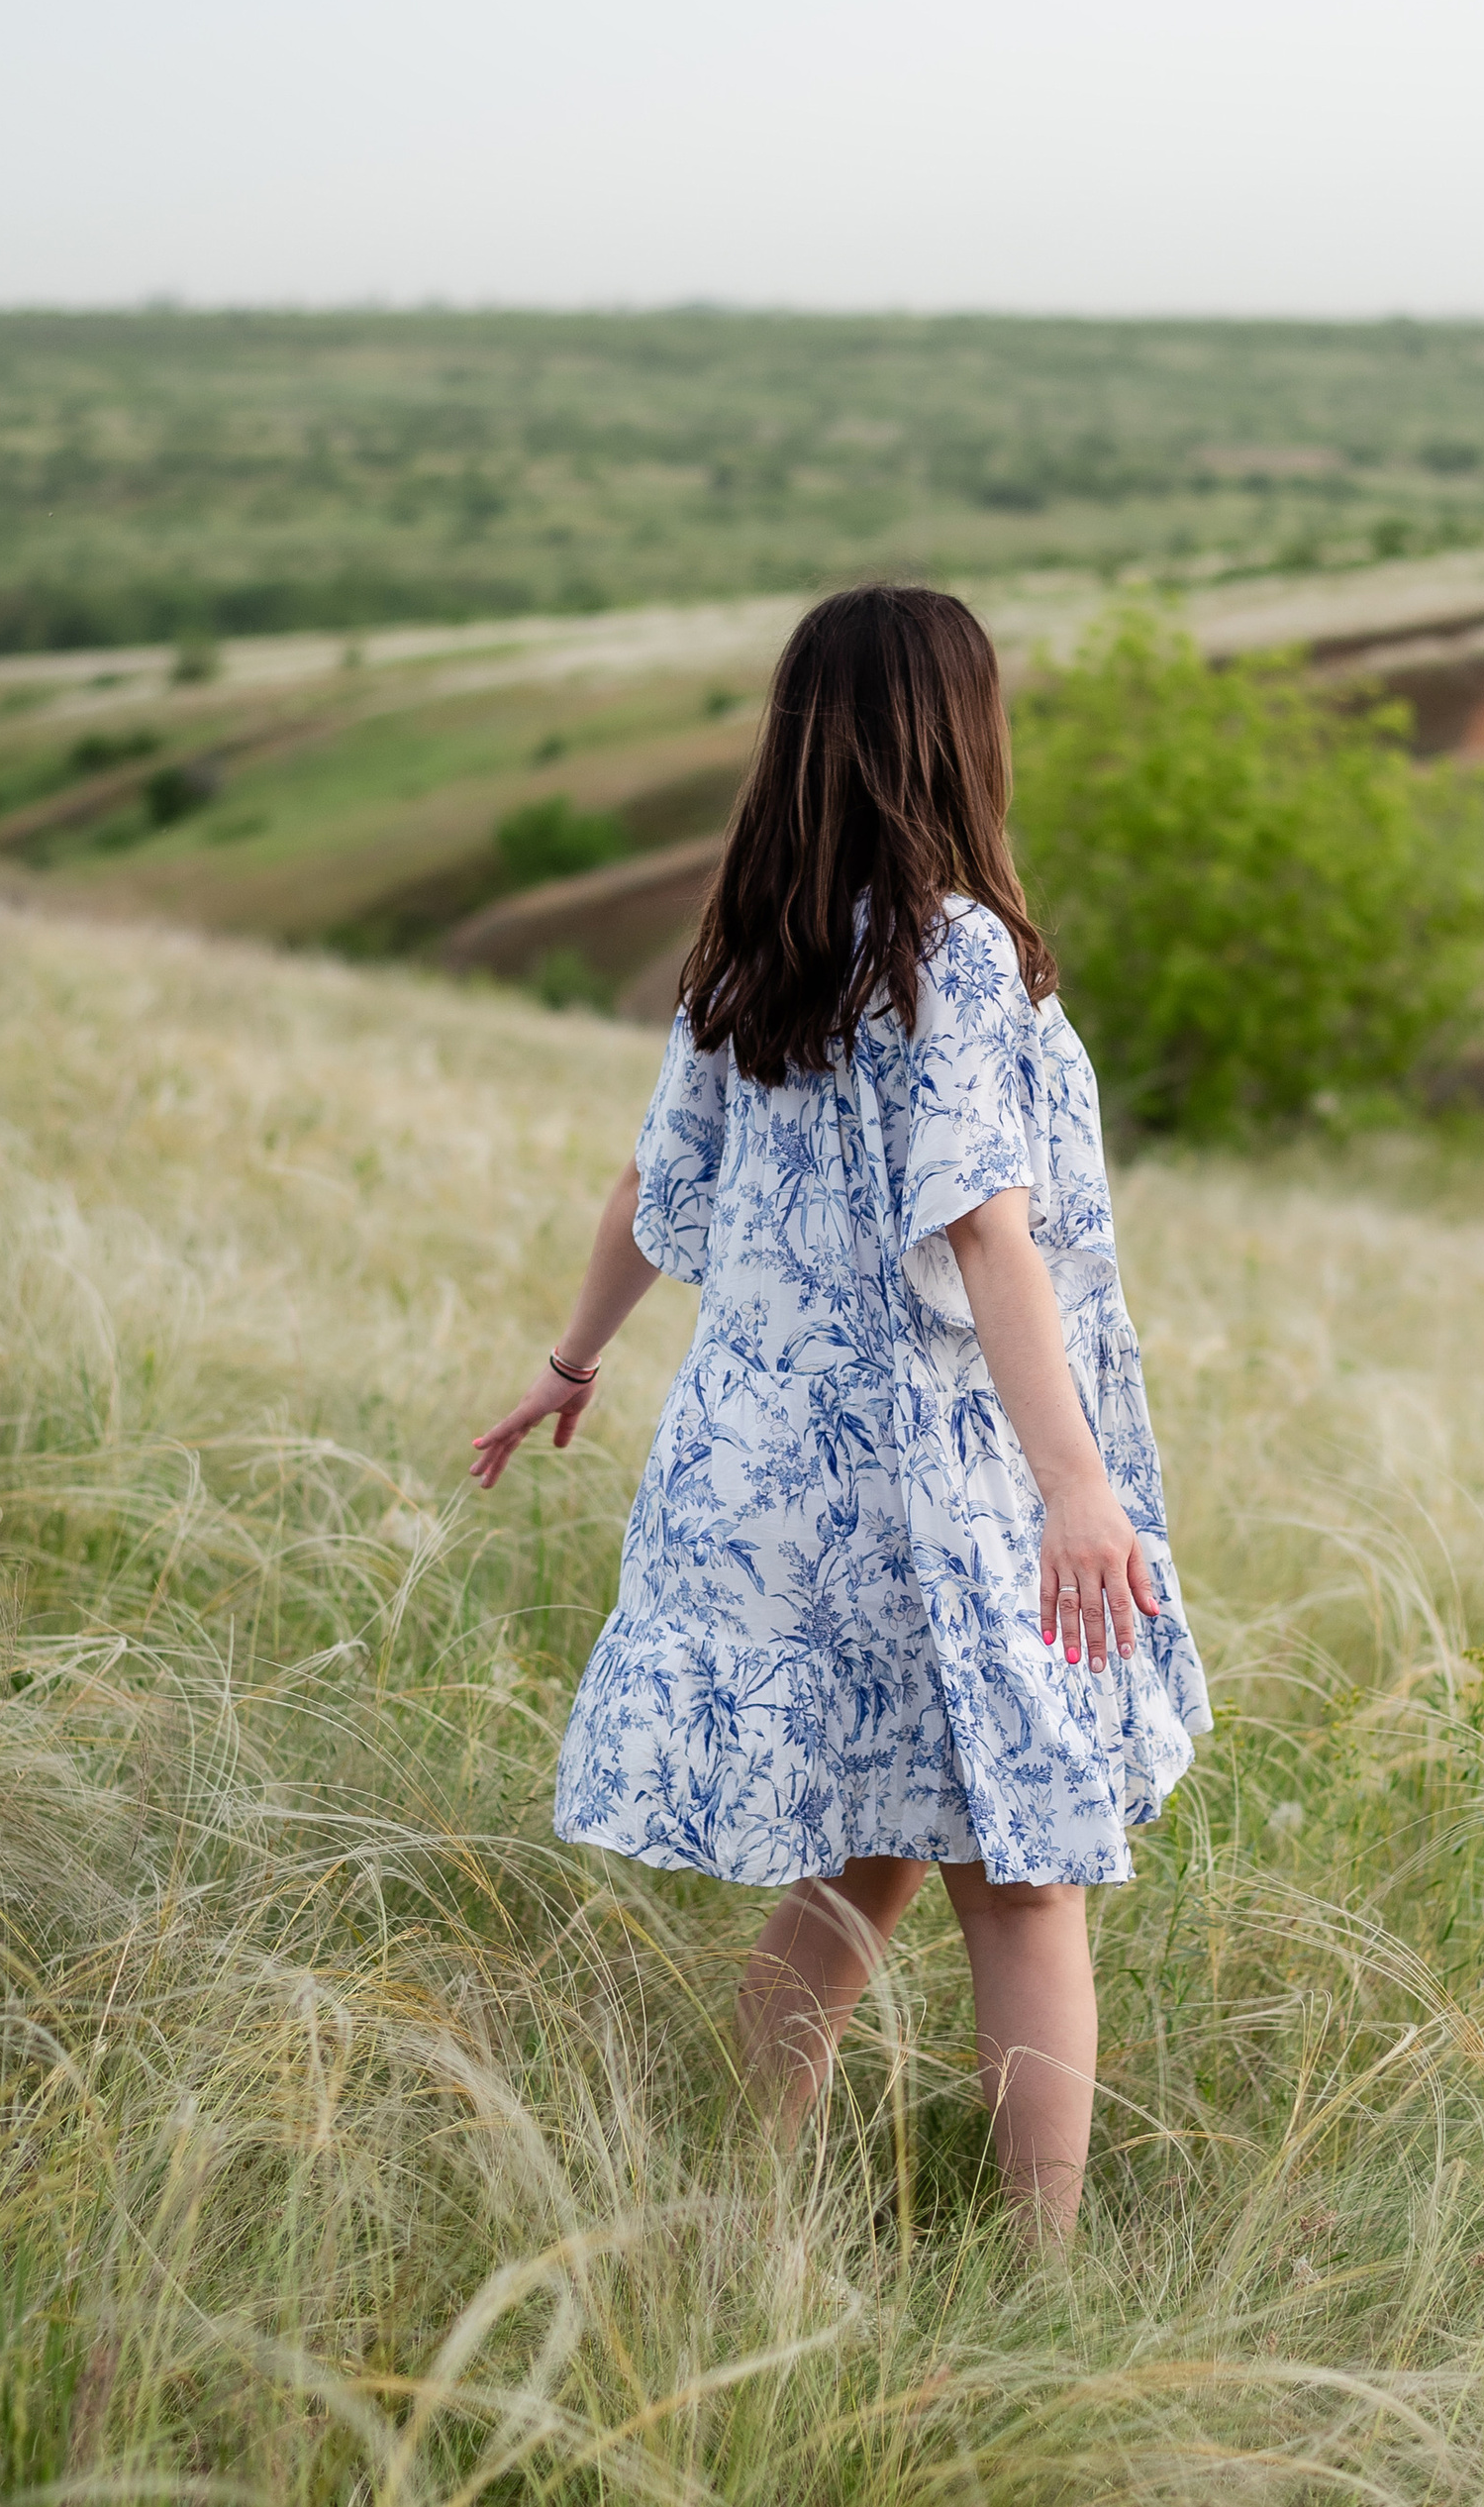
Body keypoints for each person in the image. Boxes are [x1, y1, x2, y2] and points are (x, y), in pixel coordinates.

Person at [471, 581, 1210, 2239]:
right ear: (962, 734)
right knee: (1027, 1885)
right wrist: (1076, 1486)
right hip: (945, 1489)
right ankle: (1045, 2276)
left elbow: (654, 1191)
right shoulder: (953, 947)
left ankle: (738, 2213)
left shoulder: (756, 950)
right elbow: (986, 1229)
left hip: (780, 1493)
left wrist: (571, 1359)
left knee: (859, 1863)